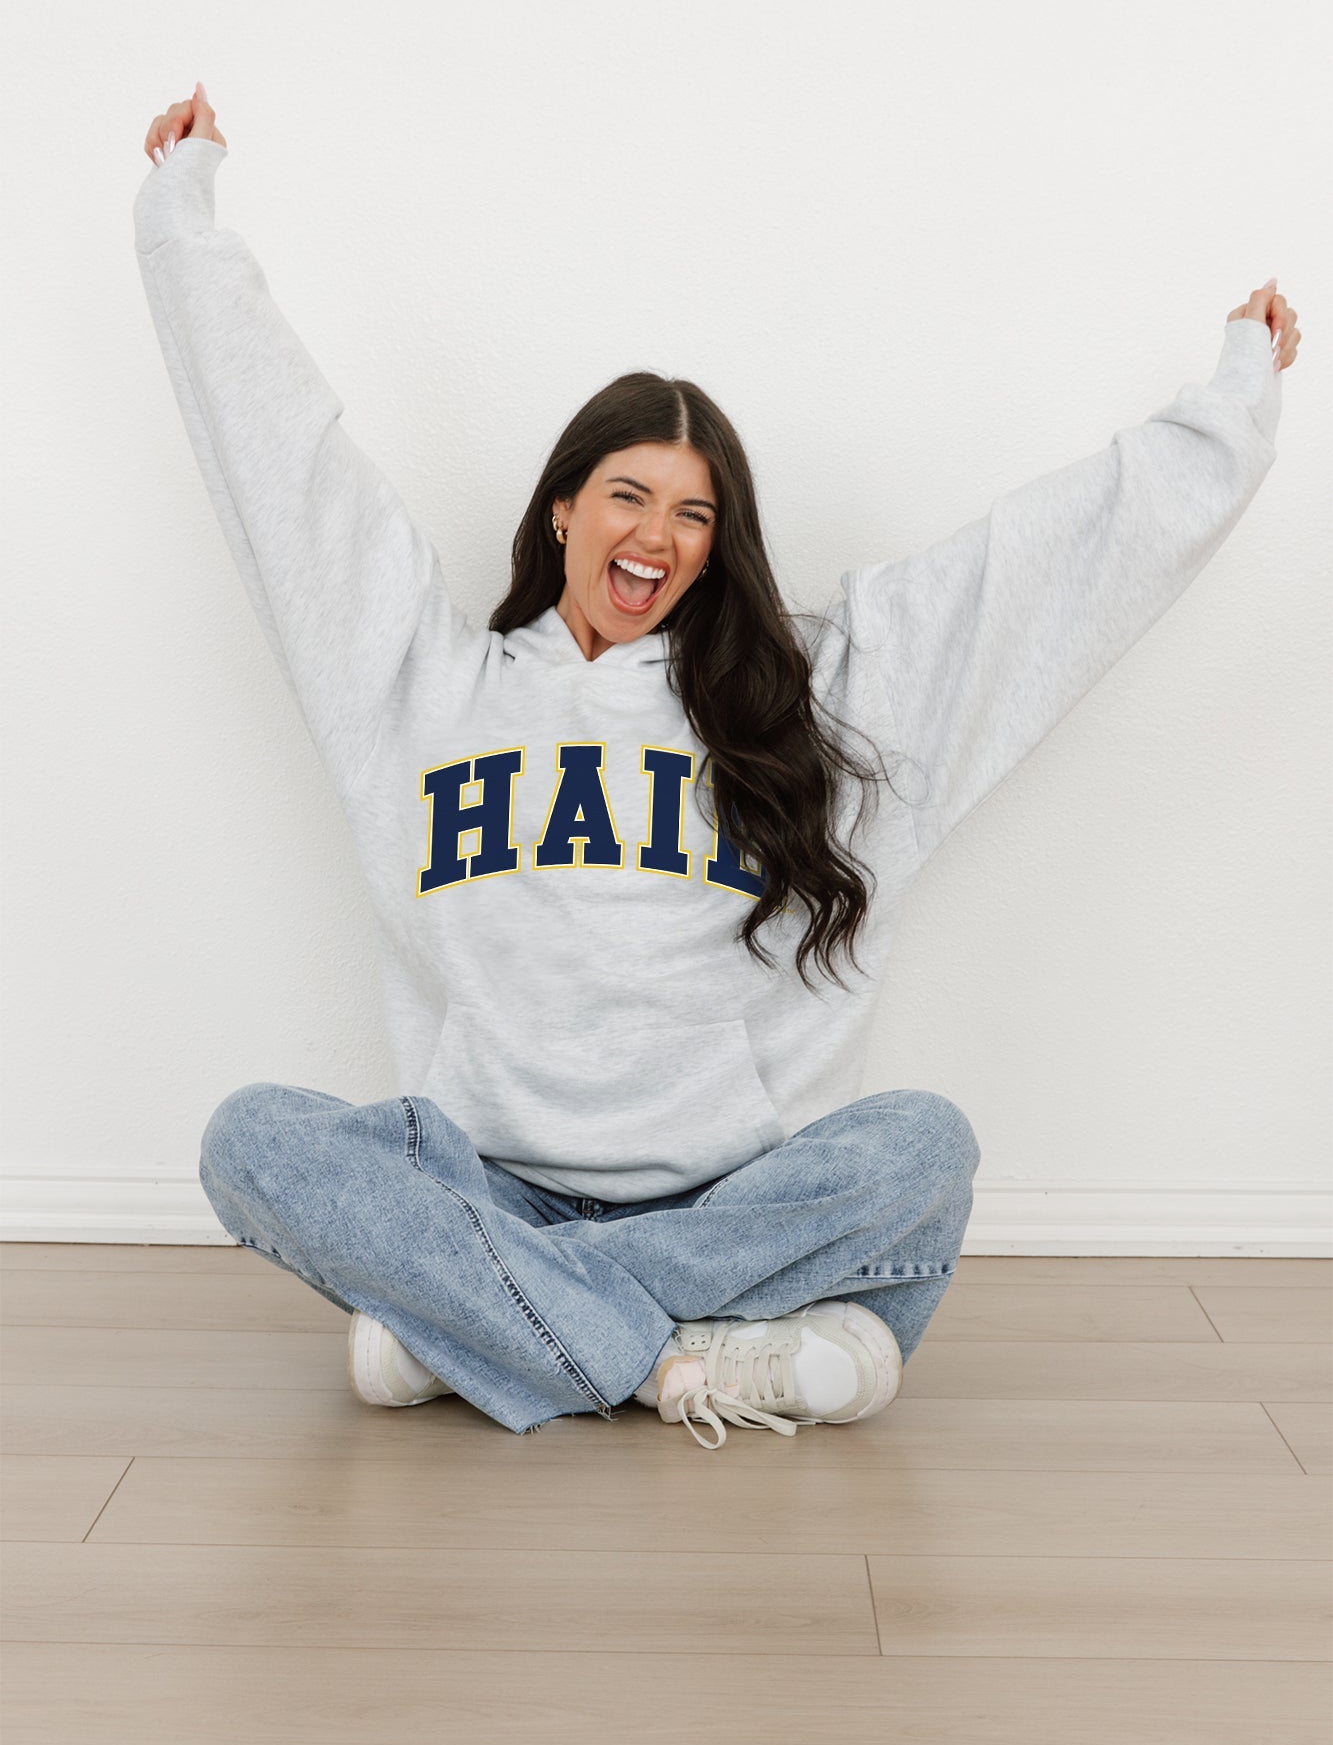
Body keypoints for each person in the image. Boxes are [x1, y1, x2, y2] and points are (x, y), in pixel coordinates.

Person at [136, 85, 1299, 1451]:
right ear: (562, 509)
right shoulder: (420, 687)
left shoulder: (812, 700)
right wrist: (182, 217)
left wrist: (1231, 407)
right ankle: (683, 1355)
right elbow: (290, 475)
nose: (657, 536)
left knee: (922, 1146)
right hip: (484, 1186)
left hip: (730, 1196)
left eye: (695, 514)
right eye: (628, 495)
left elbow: (1038, 571)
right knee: (250, 1140)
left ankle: (481, 1329)